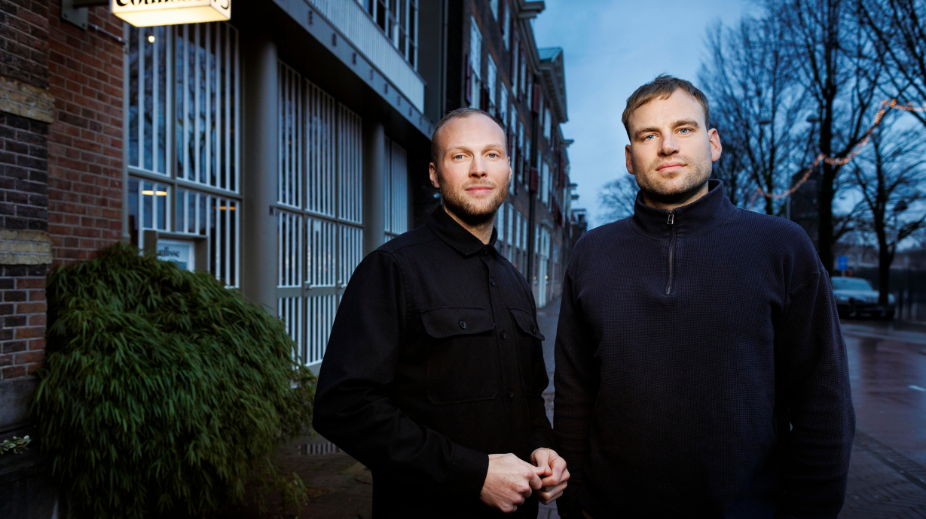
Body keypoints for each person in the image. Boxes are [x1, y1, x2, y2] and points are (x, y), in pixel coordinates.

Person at [553, 75, 854, 518]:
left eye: (684, 129)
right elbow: (575, 391)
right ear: (629, 159)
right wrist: (575, 501)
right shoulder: (592, 253)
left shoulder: (781, 247)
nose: (667, 146)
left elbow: (822, 400)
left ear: (712, 143)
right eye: (648, 135)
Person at [313, 108, 569, 518]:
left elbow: (530, 398)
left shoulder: (516, 283)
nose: (479, 169)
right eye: (460, 156)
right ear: (435, 174)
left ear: (508, 170)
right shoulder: (393, 268)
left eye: (491, 155)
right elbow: (343, 407)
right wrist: (474, 474)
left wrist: (543, 445)